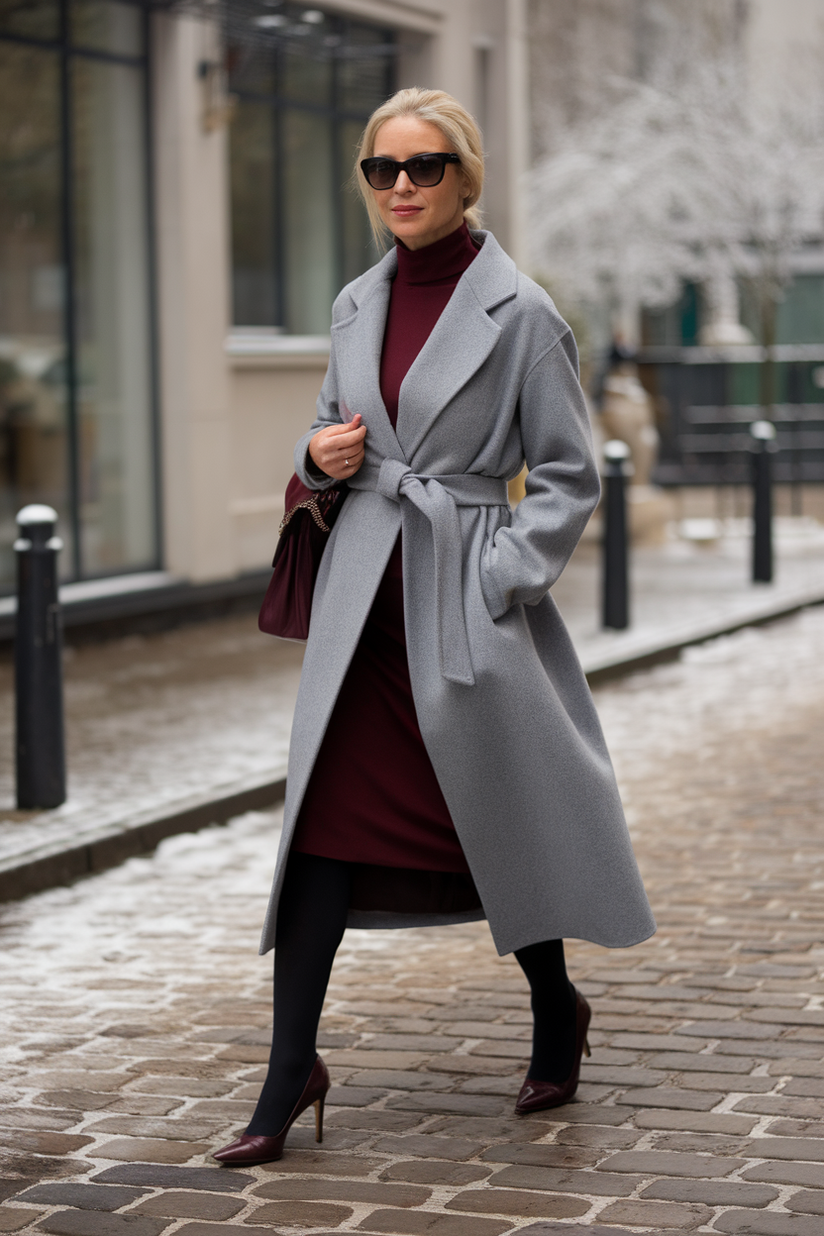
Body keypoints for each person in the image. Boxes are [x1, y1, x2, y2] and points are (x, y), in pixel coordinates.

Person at [213, 87, 655, 1168]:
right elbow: (337, 426)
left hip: (458, 606)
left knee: (495, 819)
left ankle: (555, 1008)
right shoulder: (354, 303)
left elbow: (562, 475)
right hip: (363, 607)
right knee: (318, 831)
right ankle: (286, 1073)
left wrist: (500, 572)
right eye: (380, 170)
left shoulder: (523, 313)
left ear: (465, 178)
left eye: (421, 167)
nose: (400, 187)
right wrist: (317, 458)